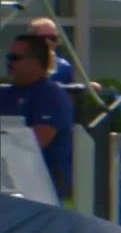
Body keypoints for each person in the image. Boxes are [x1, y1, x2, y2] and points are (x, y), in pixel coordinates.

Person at [1, 34, 74, 195]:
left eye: (15, 58)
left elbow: (35, 142)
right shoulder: (5, 94)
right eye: (8, 57)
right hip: (9, 188)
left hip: (41, 191)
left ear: (36, 62)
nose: (9, 63)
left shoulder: (51, 96)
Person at [27, 17, 73, 85]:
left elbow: (71, 92)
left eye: (53, 38)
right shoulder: (21, 64)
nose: (48, 42)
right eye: (42, 38)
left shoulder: (64, 67)